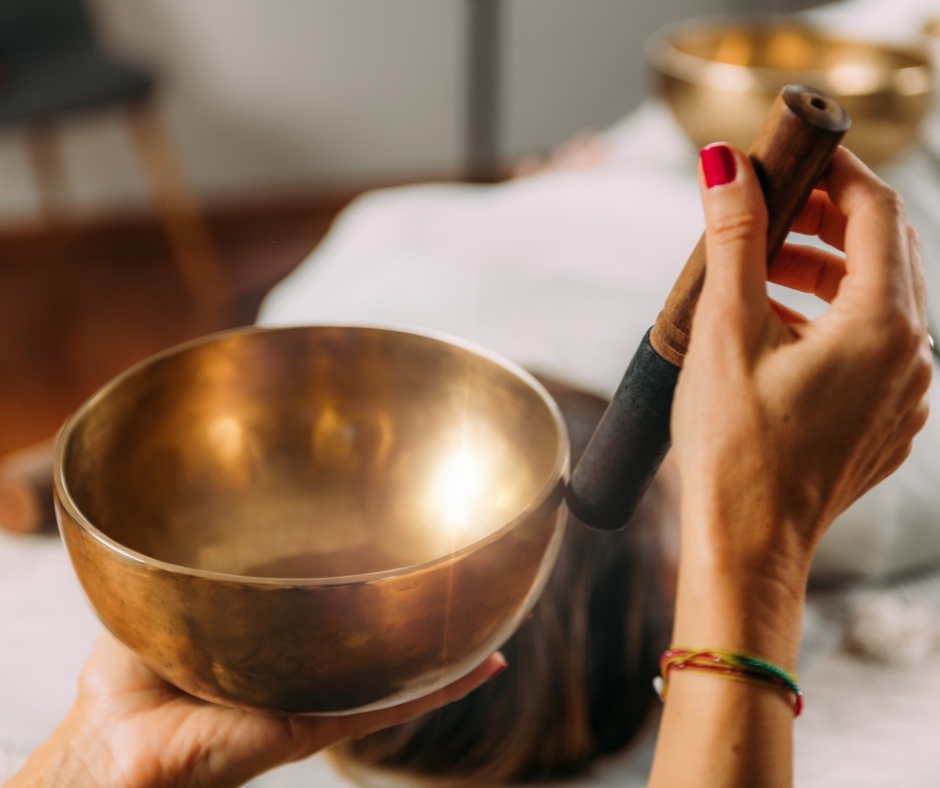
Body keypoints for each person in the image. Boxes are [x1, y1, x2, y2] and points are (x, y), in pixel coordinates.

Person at [5, 140, 930, 788]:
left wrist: (97, 762)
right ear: (671, 570)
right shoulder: (825, 464)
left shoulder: (323, 353)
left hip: (518, 208)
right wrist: (759, 555)